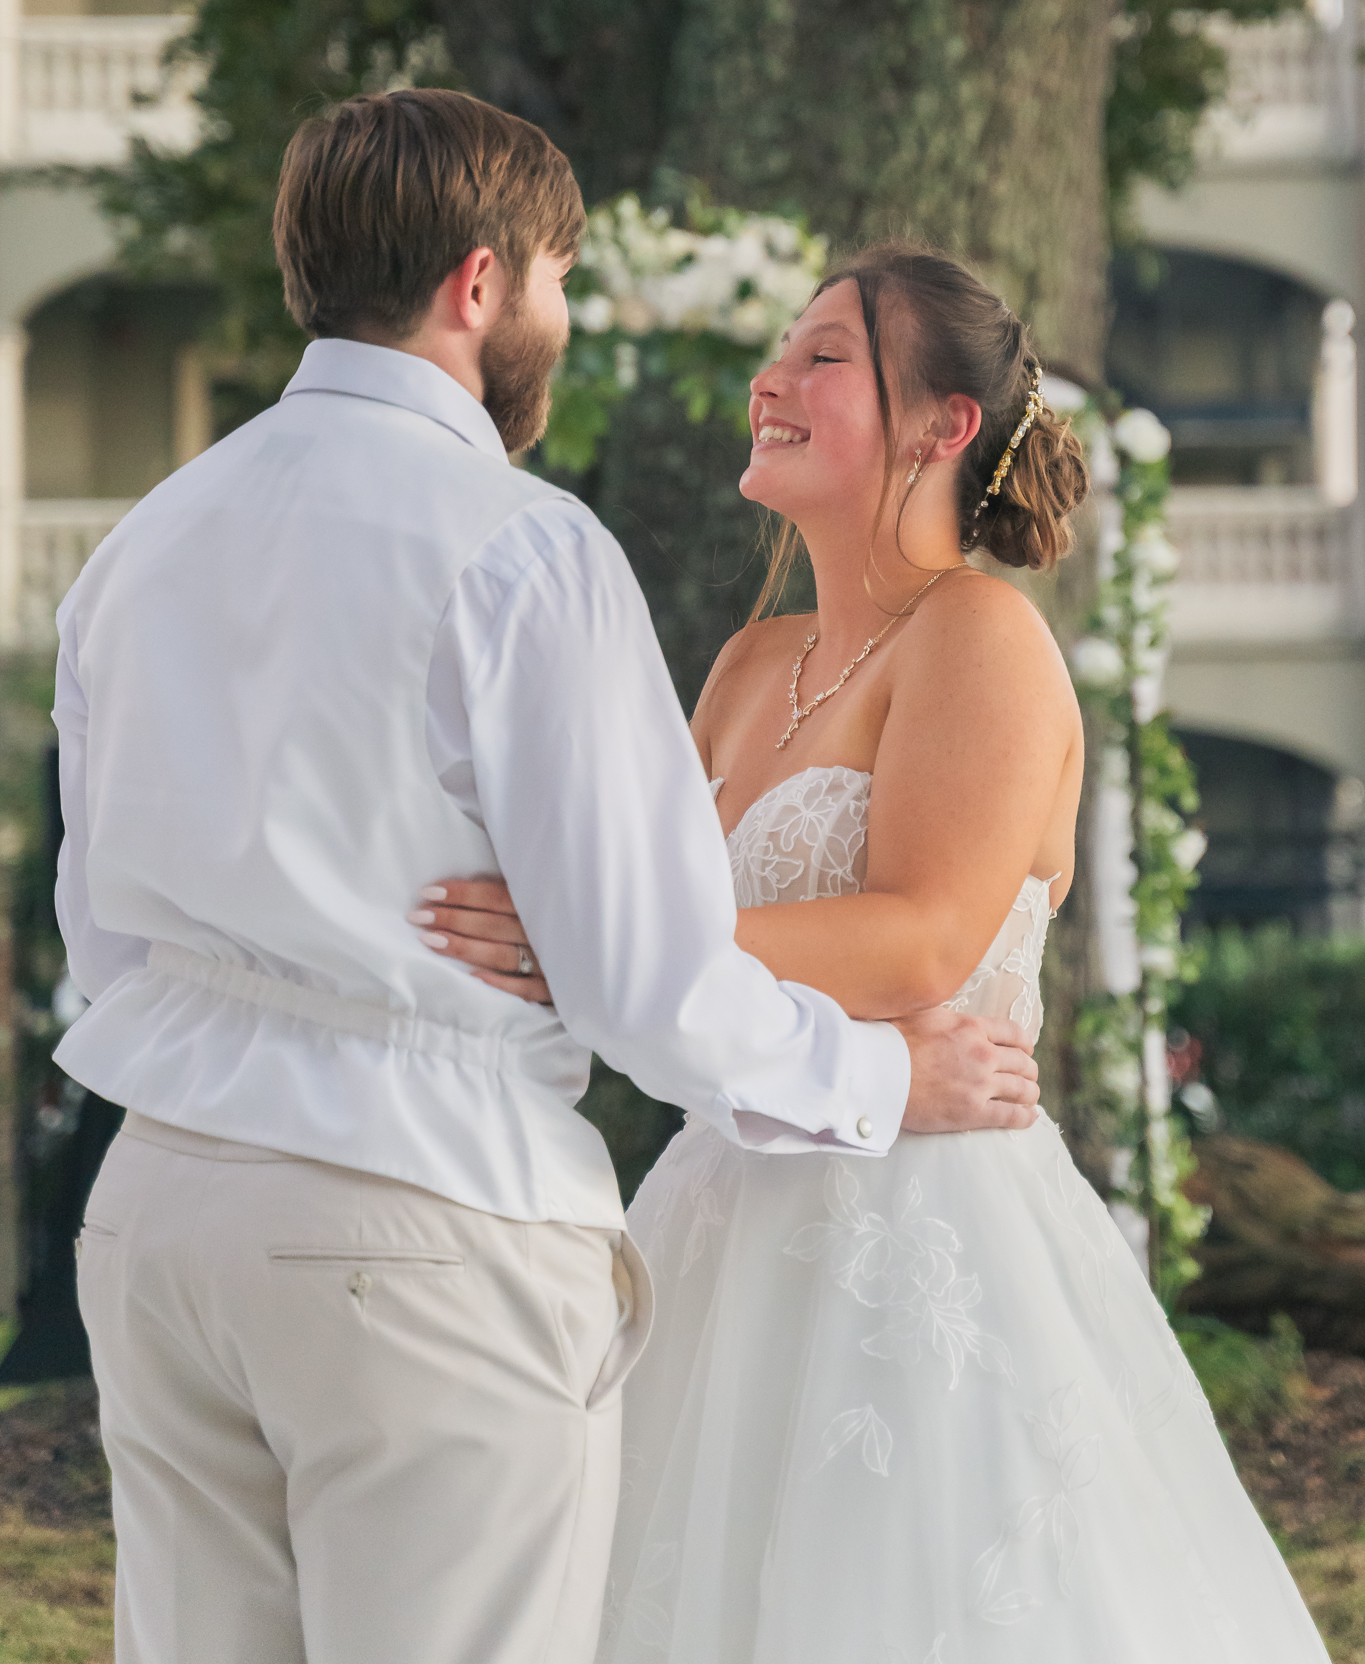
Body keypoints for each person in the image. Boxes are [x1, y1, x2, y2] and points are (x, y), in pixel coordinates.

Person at [50, 92, 1040, 1664]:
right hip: (417, 1215)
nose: (562, 320)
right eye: (560, 281)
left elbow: (101, 938)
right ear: (477, 284)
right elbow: (649, 986)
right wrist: (871, 1078)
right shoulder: (522, 549)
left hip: (158, 1217)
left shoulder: (146, 544)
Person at [426, 247, 1330, 1662]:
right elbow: (652, 921)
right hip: (716, 1212)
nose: (767, 382)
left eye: (823, 355)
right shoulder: (745, 664)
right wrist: (575, 938)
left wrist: (586, 941)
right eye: (777, 351)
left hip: (923, 1230)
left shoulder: (979, 637)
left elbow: (915, 939)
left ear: (941, 424)